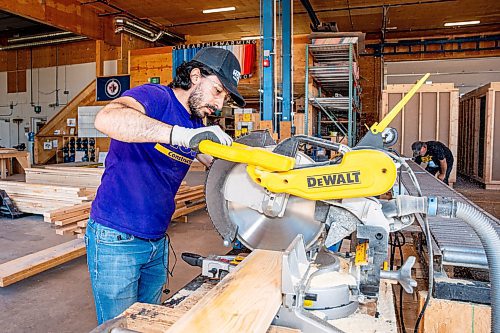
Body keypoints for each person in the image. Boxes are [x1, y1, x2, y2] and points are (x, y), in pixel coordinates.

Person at [84, 47, 245, 324]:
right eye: (217, 91)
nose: (219, 105)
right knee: (119, 327)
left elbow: (218, 165)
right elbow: (106, 118)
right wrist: (179, 135)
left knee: (148, 323)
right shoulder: (157, 97)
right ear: (195, 76)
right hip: (116, 237)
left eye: (225, 97)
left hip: (156, 239)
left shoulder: (195, 122)